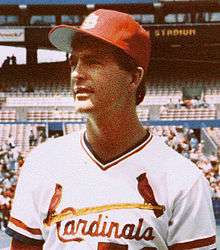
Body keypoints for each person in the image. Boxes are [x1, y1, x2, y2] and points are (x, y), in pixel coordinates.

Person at [6, 9, 216, 250]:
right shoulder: (41, 164)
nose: (77, 74)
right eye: (73, 63)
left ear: (133, 78)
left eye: (93, 62)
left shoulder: (183, 178)